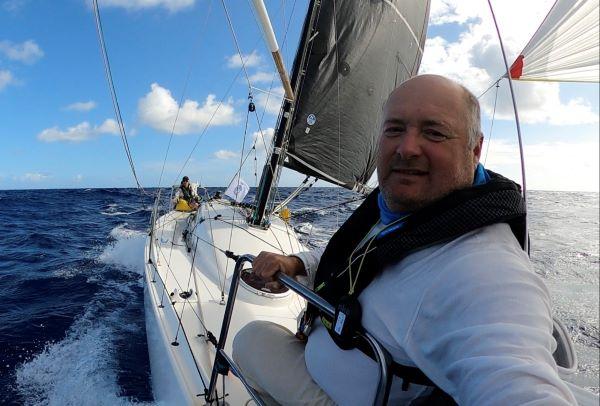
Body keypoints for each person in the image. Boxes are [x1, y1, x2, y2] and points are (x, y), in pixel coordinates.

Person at [232, 75, 577, 405]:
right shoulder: (396, 209)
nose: (407, 148)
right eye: (395, 129)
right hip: (320, 358)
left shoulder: (484, 267)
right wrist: (296, 264)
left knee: (248, 342)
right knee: (254, 339)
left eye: (434, 132)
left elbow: (516, 381)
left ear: (475, 149)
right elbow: (358, 256)